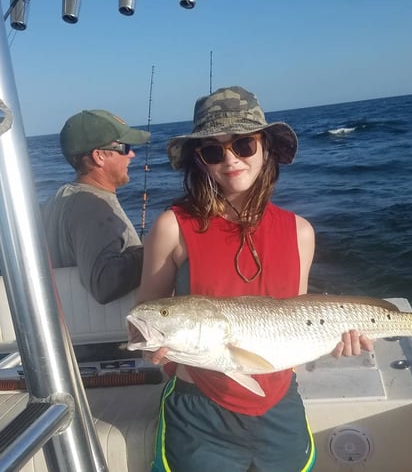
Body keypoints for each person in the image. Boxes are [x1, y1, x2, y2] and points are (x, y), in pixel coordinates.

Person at [136, 86, 372, 472]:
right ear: (201, 161)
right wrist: (153, 350)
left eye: (243, 145)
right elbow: (144, 315)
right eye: (213, 151)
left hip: (281, 409)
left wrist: (334, 340)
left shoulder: (300, 232)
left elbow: (295, 320)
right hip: (199, 415)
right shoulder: (172, 227)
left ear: (266, 148)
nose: (230, 159)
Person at [42, 109, 150, 305]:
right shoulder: (91, 204)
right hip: (107, 332)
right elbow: (104, 282)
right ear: (99, 156)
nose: (132, 154)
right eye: (125, 148)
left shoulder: (58, 198)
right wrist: (157, 249)